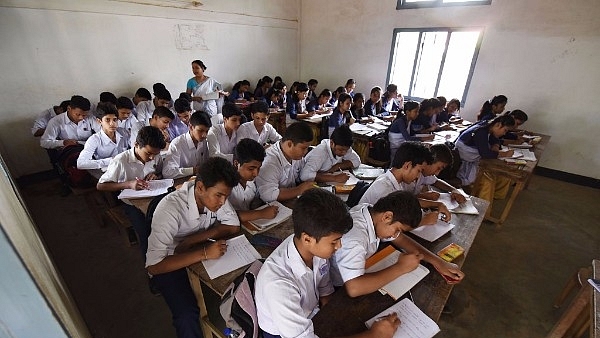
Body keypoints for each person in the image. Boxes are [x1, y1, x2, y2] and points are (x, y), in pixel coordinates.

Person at [255, 188, 401, 338]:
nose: (339, 246)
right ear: (307, 239)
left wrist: (333, 311)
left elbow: (324, 288)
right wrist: (374, 335)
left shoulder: (314, 248)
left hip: (310, 313)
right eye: (334, 242)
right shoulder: (279, 286)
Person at [146, 157, 240, 338]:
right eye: (219, 196)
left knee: (229, 294)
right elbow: (154, 266)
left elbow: (233, 225)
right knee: (188, 315)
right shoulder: (170, 209)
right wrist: (203, 253)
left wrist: (192, 240)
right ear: (200, 187)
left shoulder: (215, 196)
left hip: (197, 251)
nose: (223, 202)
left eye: (226, 196)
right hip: (170, 260)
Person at [330, 191, 465, 298]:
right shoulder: (355, 239)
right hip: (338, 287)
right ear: (387, 216)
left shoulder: (371, 212)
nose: (395, 234)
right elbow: (354, 288)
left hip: (359, 270)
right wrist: (401, 268)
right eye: (398, 229)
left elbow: (401, 239)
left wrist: (438, 262)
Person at [97, 126, 166, 255]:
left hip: (154, 196)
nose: (152, 158)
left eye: (155, 154)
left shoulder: (156, 155)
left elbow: (160, 172)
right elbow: (101, 186)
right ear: (136, 144)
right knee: (145, 233)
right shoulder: (120, 161)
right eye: (148, 153)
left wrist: (156, 176)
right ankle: (150, 265)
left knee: (168, 224)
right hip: (132, 203)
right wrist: (128, 184)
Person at [359, 142, 451, 226]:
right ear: (407, 166)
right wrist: (423, 221)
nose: (419, 176)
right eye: (419, 171)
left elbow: (407, 203)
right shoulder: (385, 188)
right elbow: (390, 227)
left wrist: (437, 204)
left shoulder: (396, 183)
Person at [456, 115, 516, 203]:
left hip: (473, 159)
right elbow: (486, 154)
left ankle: (494, 196)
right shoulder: (481, 132)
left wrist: (496, 145)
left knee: (497, 176)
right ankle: (481, 205)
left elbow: (494, 138)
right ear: (498, 125)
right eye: (505, 130)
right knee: (488, 181)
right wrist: (503, 154)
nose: (504, 134)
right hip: (464, 160)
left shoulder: (488, 127)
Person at [255, 122, 315, 203]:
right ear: (289, 144)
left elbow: (302, 172)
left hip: (290, 199)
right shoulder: (269, 162)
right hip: (269, 206)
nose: (305, 152)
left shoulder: (296, 156)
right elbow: (268, 195)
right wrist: (300, 189)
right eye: (303, 148)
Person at [229, 138, 279, 222]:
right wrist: (261, 213)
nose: (256, 174)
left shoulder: (251, 181)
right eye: (251, 169)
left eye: (259, 168)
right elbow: (226, 216)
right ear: (236, 163)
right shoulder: (225, 184)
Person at [76, 102, 129, 170]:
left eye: (115, 120)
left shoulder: (124, 133)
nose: (112, 124)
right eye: (107, 120)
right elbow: (81, 164)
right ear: (99, 121)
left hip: (125, 168)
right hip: (106, 172)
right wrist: (112, 160)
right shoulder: (94, 139)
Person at [162, 111, 211, 179]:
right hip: (182, 182)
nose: (204, 135)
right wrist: (194, 170)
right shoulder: (177, 144)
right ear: (191, 127)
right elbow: (167, 172)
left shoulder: (205, 141)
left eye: (207, 131)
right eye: (200, 130)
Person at [186, 60, 225, 125]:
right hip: (198, 107)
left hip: (211, 107)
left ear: (203, 68)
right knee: (201, 124)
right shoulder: (191, 82)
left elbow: (218, 93)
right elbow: (187, 97)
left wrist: (222, 93)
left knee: (212, 125)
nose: (194, 70)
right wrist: (195, 98)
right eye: (193, 68)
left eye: (197, 67)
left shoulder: (211, 81)